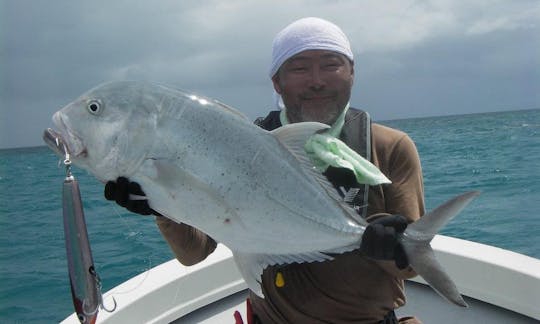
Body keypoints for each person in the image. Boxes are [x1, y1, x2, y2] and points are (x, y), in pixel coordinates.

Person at [105, 17, 424, 324]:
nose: (316, 80)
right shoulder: (243, 146)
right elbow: (194, 253)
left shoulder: (389, 146)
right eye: (299, 68)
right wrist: (163, 205)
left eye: (331, 64)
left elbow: (411, 267)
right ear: (277, 81)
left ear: (352, 72)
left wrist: (390, 244)